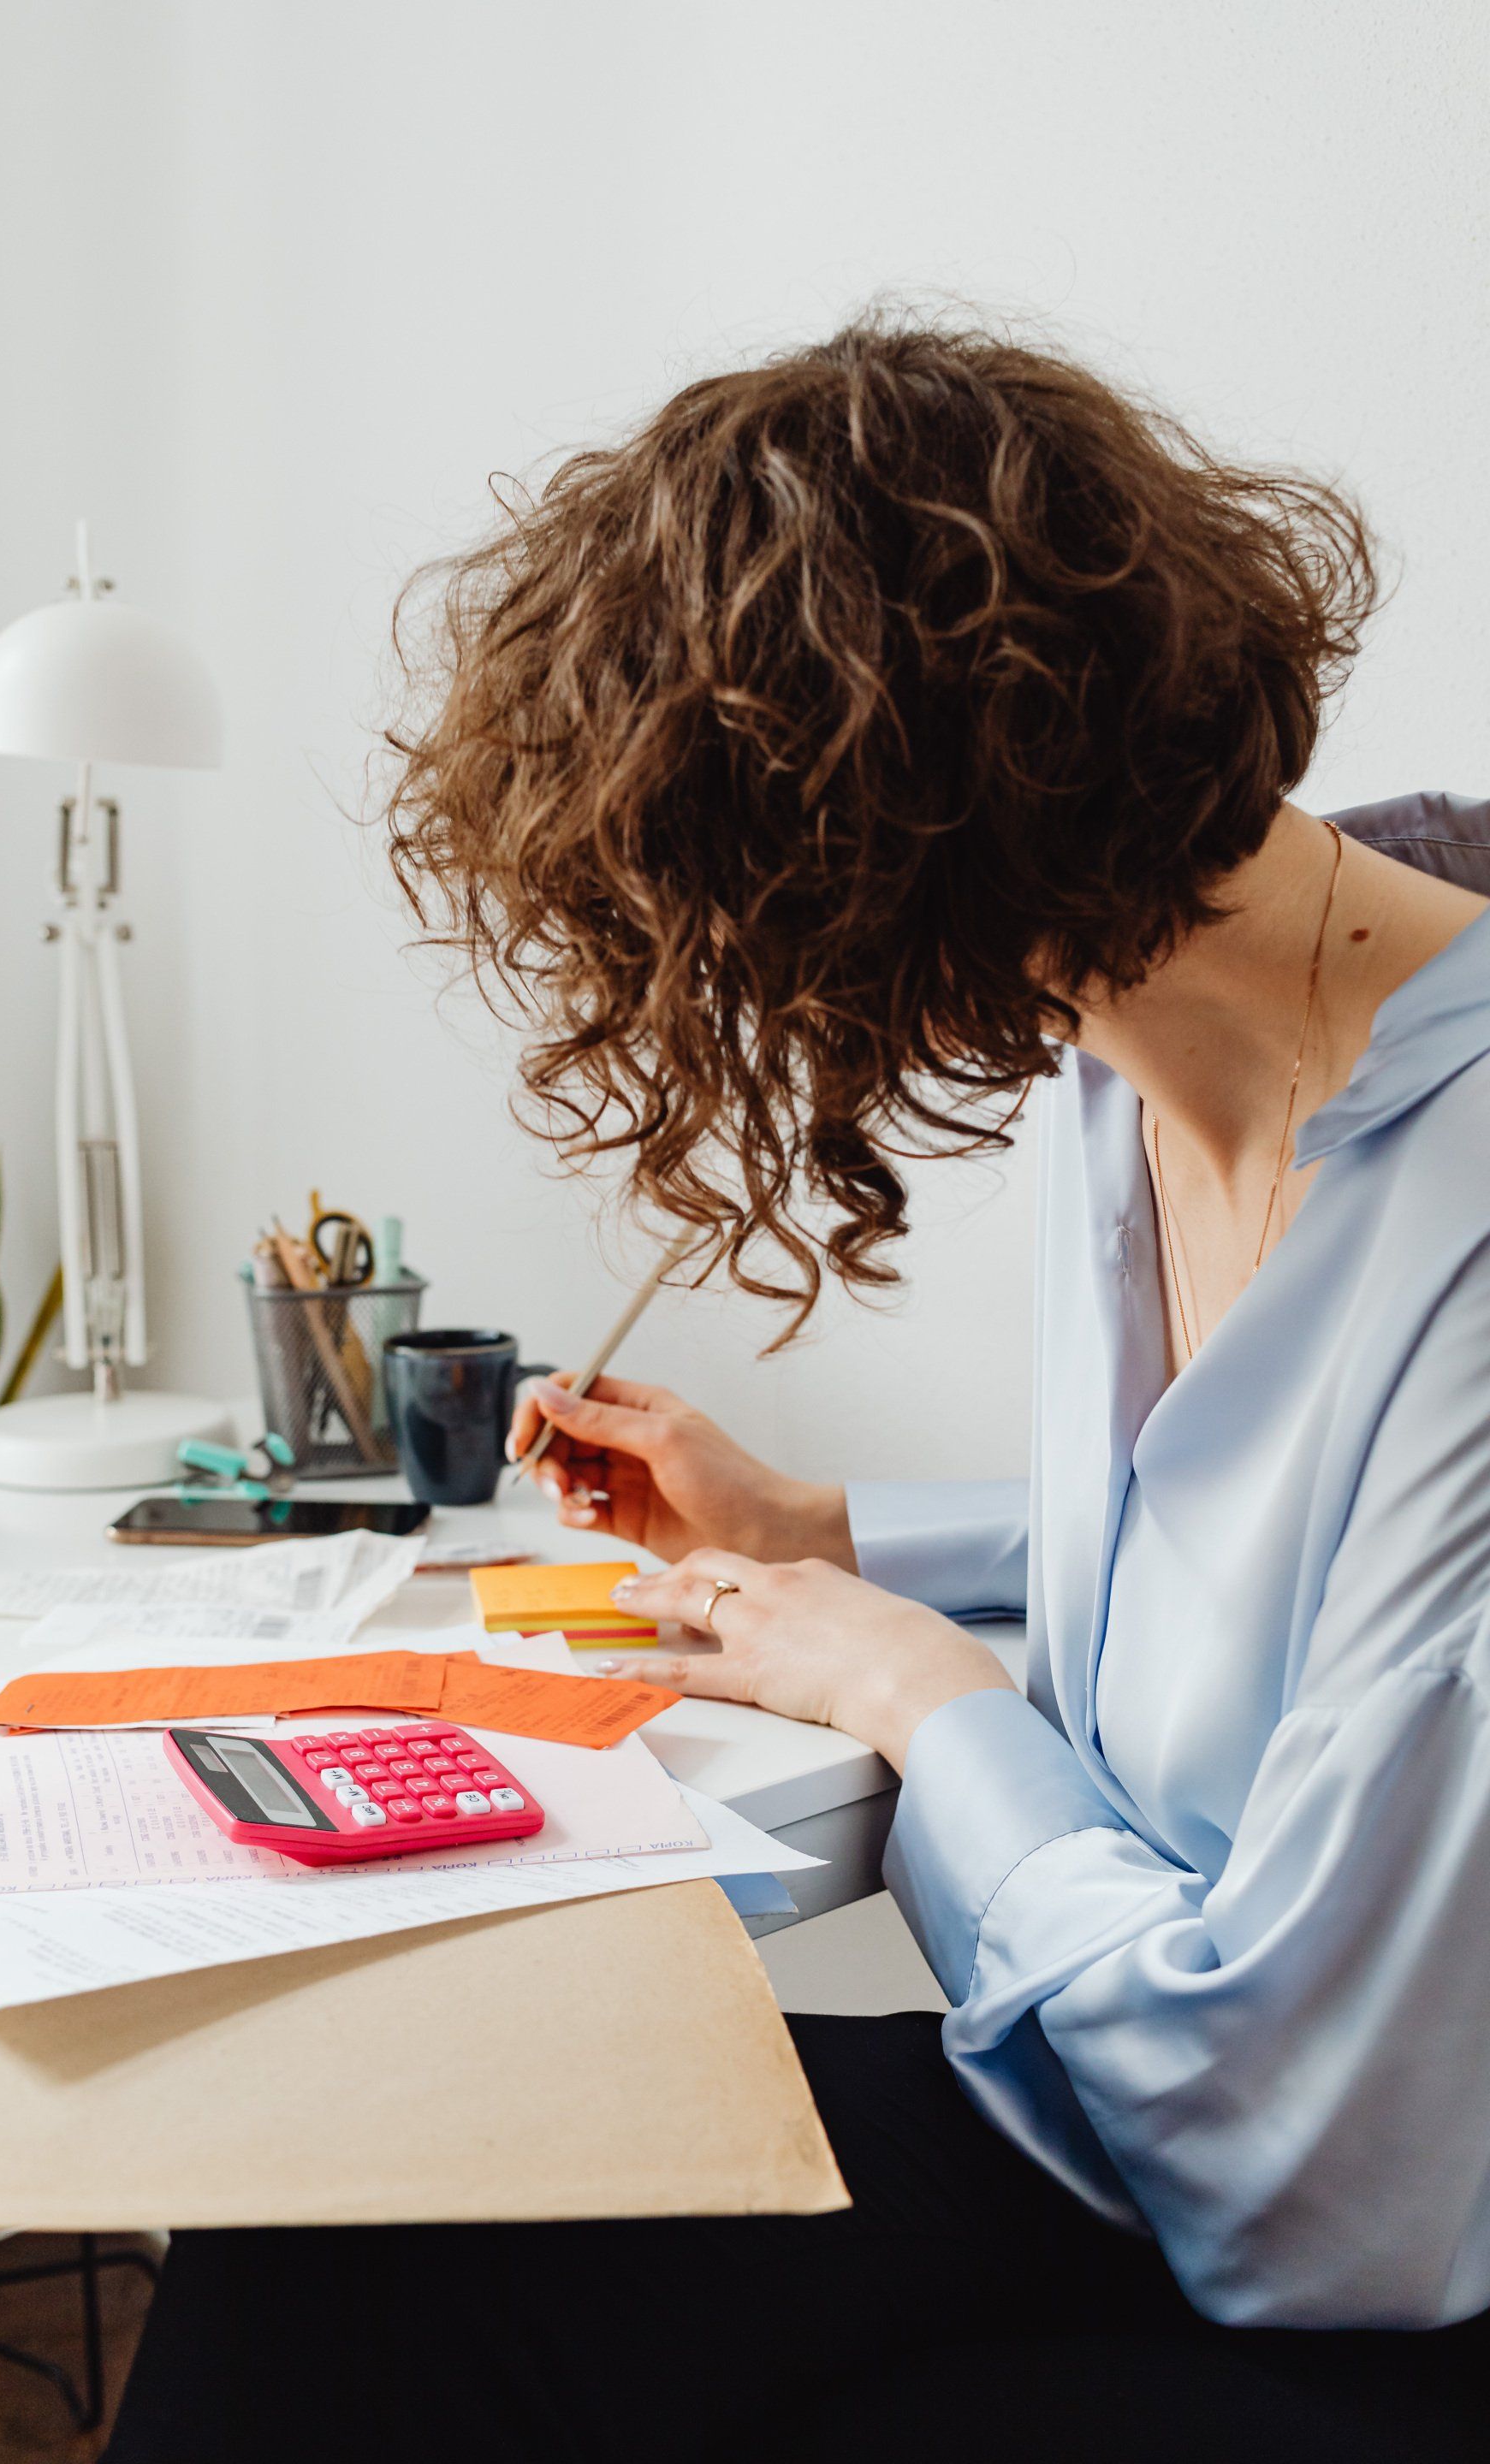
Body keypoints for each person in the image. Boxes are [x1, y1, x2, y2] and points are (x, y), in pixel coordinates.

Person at [105, 322, 1490, 2462]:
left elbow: (1313, 2179)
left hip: (1348, 2252)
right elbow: (1303, 1559)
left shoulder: (1465, 1215)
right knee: (343, 2216)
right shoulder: (1124, 1089)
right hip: (1104, 2116)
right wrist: (823, 1539)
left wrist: (923, 1698)